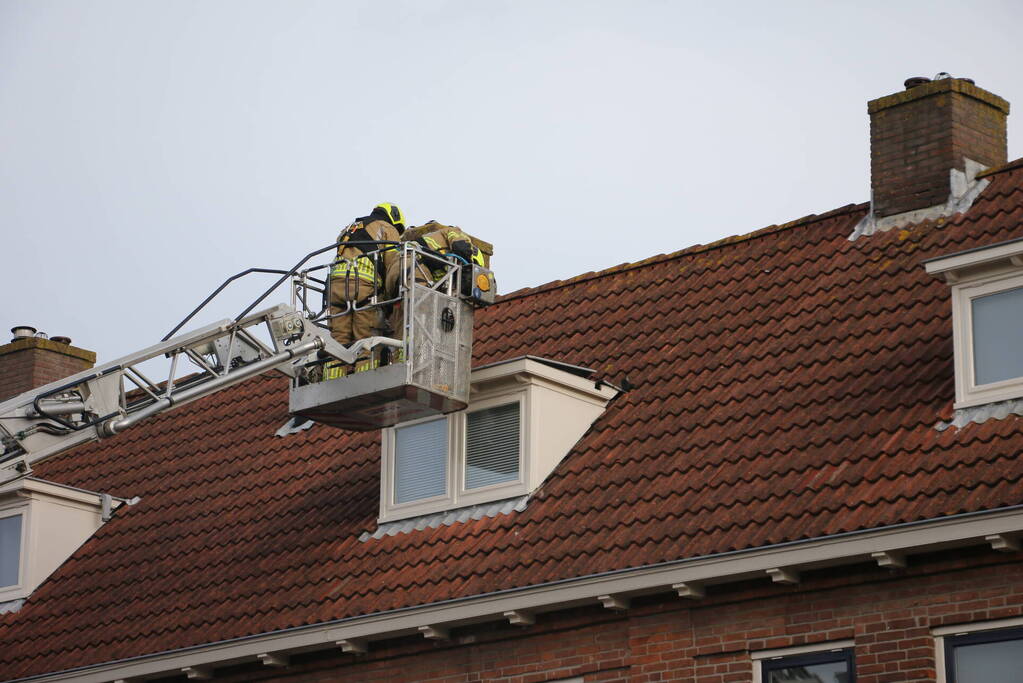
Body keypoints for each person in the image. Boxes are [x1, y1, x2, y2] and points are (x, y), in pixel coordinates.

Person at [324, 203, 405, 378]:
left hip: (336, 287)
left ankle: (332, 381)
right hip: (364, 288)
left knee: (338, 342)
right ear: (394, 218)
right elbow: (393, 267)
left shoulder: (349, 228)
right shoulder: (387, 228)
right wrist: (393, 298)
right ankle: (366, 378)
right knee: (367, 339)